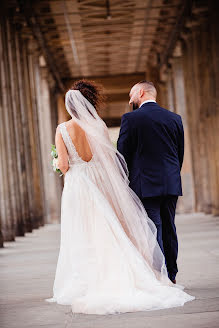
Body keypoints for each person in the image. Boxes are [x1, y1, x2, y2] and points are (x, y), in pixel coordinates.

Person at [45, 80, 195, 315]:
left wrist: (57, 163)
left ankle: (100, 279)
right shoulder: (100, 126)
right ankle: (166, 274)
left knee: (84, 232)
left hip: (81, 186)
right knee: (128, 229)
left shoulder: (63, 130)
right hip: (115, 183)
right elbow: (114, 159)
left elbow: (64, 165)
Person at [117, 80, 184, 284]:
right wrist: (171, 175)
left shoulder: (131, 119)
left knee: (153, 227)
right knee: (169, 227)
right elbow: (179, 153)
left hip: (145, 184)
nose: (130, 99)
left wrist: (123, 181)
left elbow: (122, 154)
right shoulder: (174, 118)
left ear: (141, 92)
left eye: (131, 94)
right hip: (170, 181)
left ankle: (160, 275)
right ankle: (171, 274)